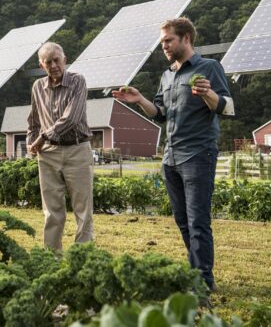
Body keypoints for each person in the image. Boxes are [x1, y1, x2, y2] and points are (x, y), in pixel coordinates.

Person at [112, 17, 234, 292]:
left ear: (186, 38)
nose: (164, 46)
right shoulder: (167, 75)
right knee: (182, 221)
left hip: (198, 153)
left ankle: (203, 282)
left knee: (198, 220)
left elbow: (226, 106)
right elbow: (160, 113)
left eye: (168, 40)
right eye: (162, 42)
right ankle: (195, 274)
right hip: (171, 157)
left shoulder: (209, 67)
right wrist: (140, 100)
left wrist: (208, 94)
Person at [27, 42, 94, 251]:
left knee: (83, 209)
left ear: (64, 59)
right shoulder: (38, 86)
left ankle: (82, 258)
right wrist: (31, 141)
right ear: (41, 64)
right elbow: (34, 120)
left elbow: (71, 118)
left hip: (77, 149)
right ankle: (51, 257)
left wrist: (42, 137)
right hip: (48, 154)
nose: (53, 65)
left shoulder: (77, 82)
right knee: (51, 210)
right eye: (48, 62)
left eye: (57, 60)